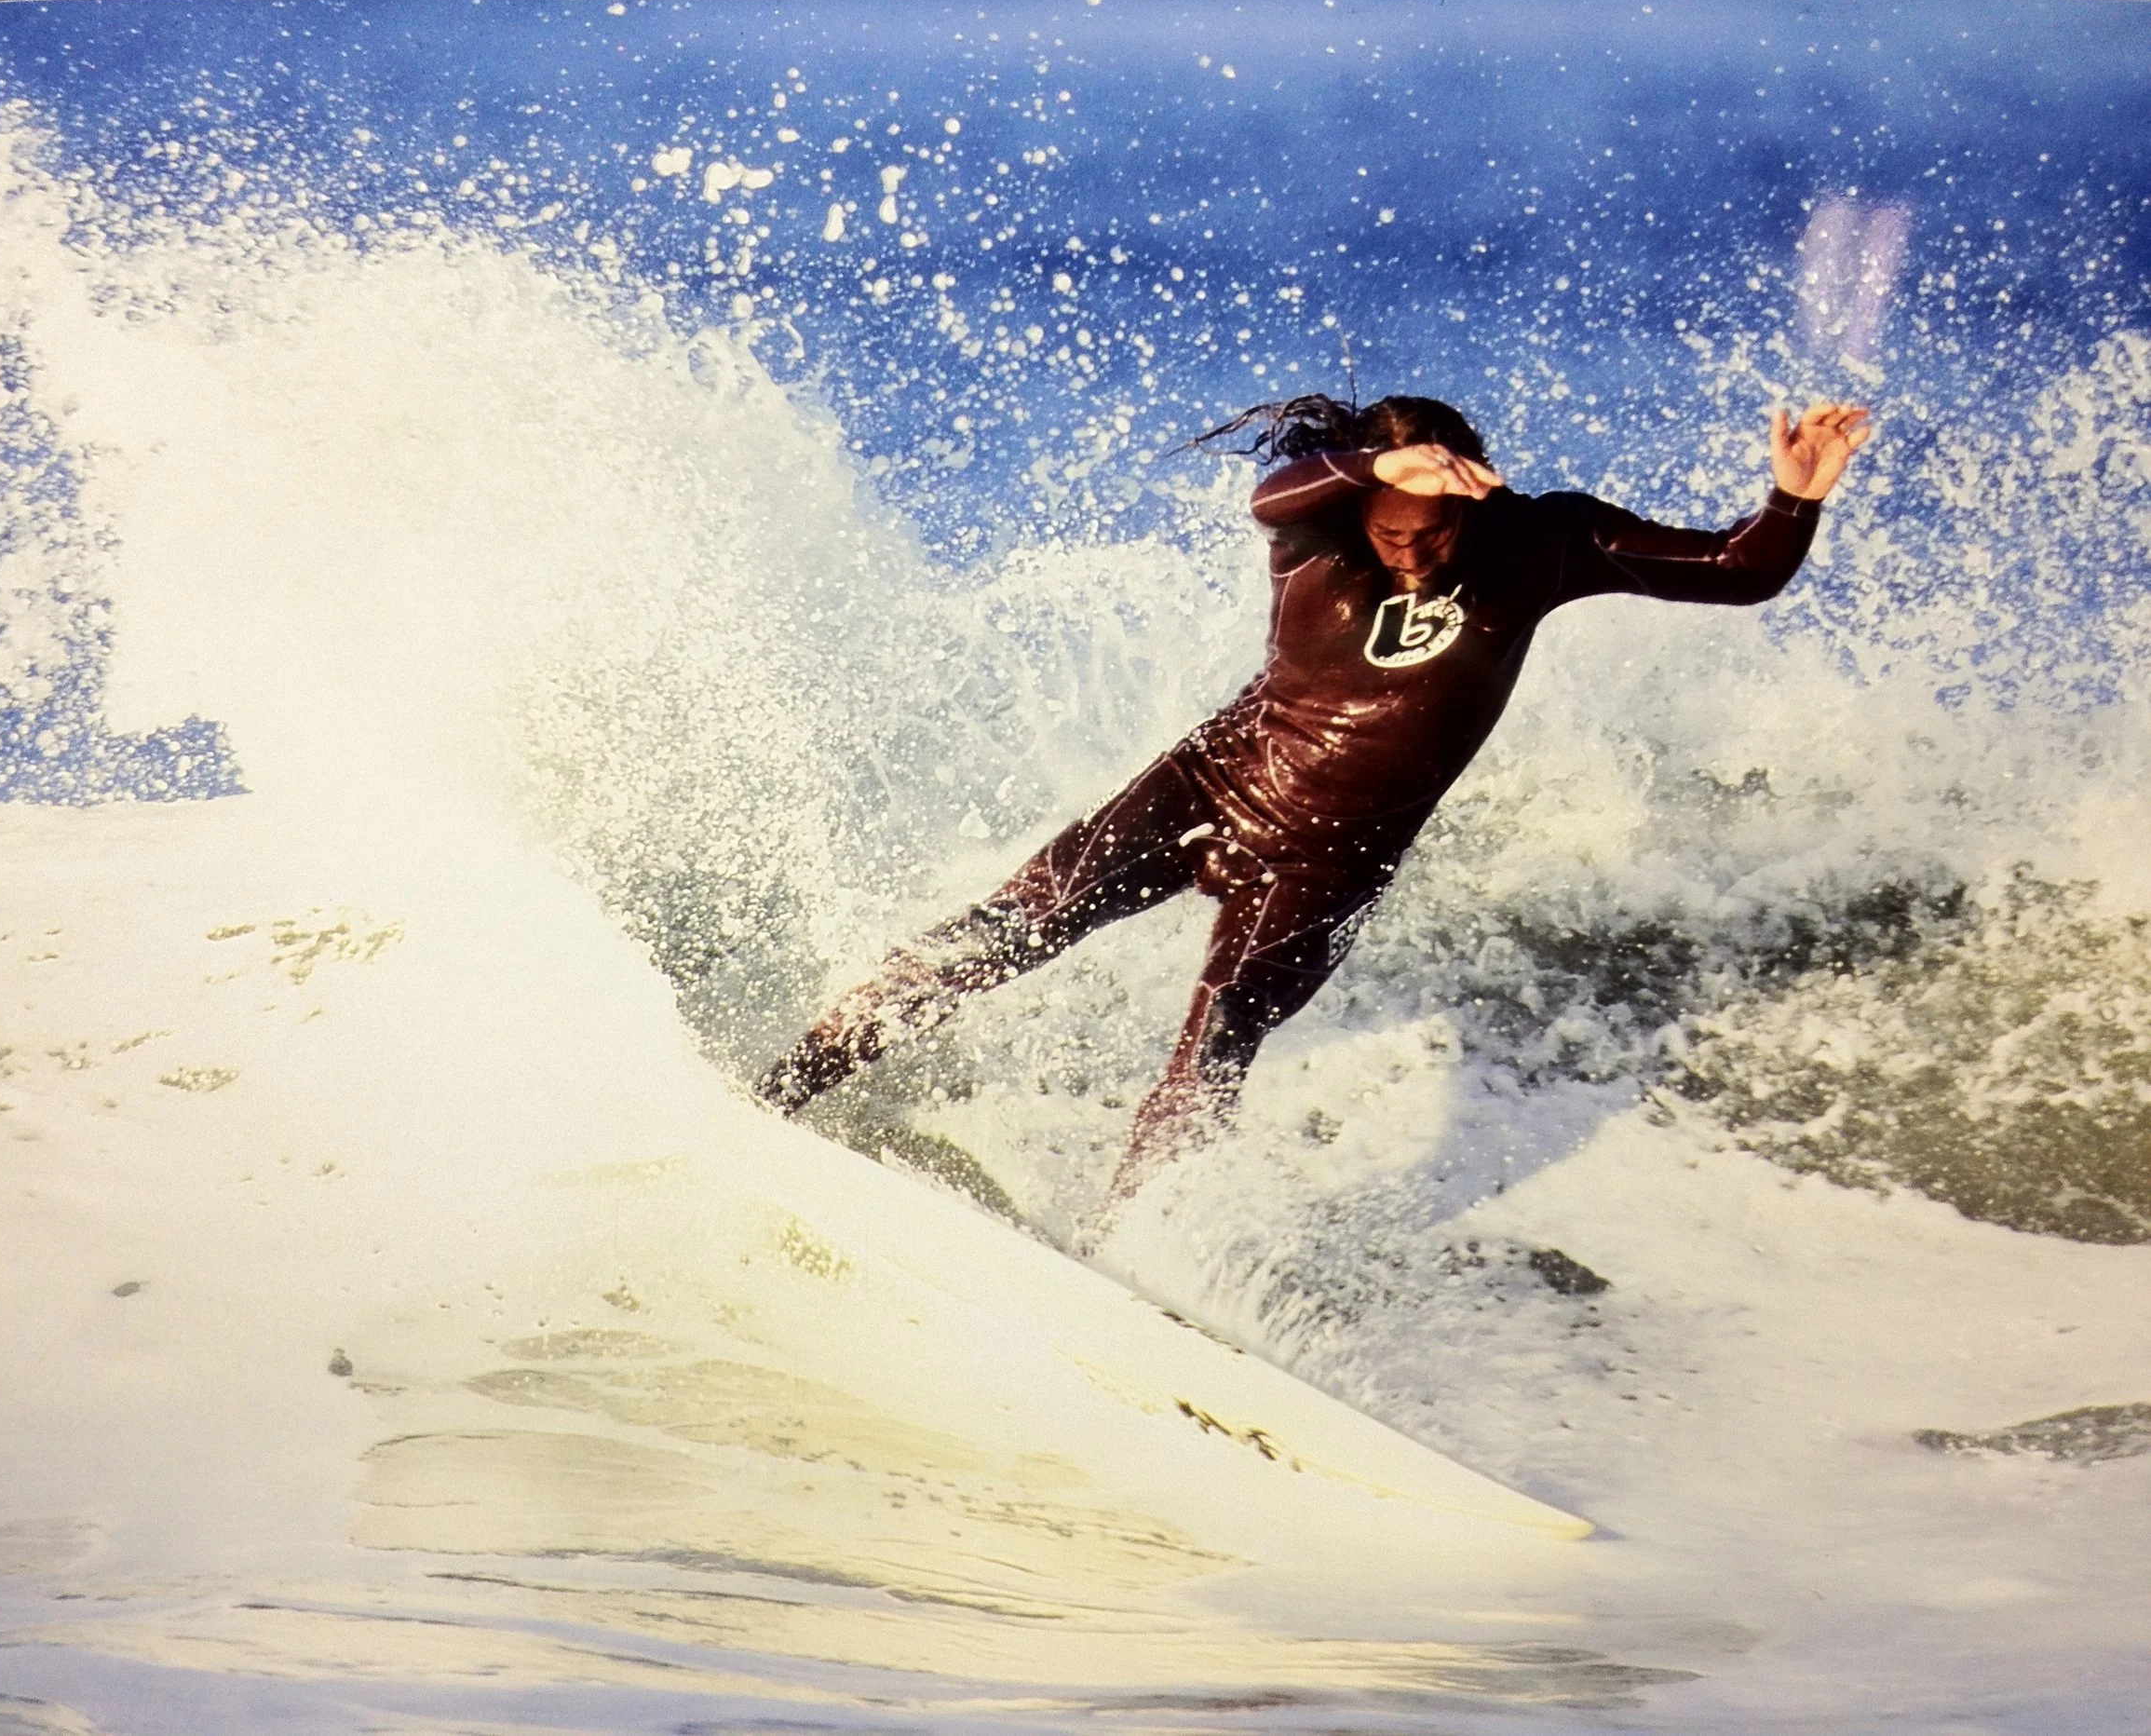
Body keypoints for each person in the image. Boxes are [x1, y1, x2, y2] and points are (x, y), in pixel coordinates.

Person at [755, 391, 1871, 1241]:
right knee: (1011, 930)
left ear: (1477, 495)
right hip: (1211, 785)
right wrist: (1373, 468)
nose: (1413, 552)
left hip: (1334, 858)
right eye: (1394, 529)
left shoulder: (1542, 541)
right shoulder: (1319, 528)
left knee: (1220, 1039)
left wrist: (1794, 498)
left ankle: (1122, 1249)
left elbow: (1734, 572)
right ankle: (775, 1098)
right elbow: (1273, 493)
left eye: (1435, 533)